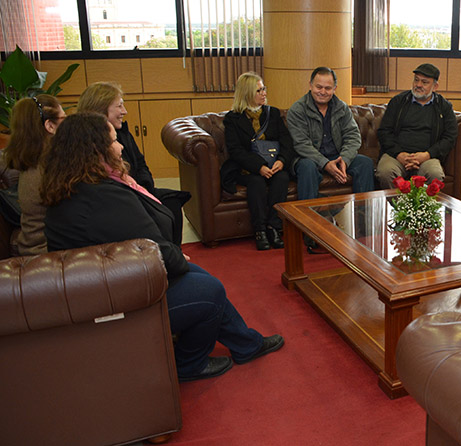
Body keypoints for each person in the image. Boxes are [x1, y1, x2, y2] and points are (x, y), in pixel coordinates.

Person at [41, 112, 284, 382]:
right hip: (115, 298)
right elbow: (153, 248)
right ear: (94, 151)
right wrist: (177, 257)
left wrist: (177, 258)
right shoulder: (102, 197)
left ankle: (245, 344)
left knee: (201, 275)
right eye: (113, 141)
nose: (121, 146)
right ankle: (188, 364)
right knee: (210, 290)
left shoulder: (73, 185)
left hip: (103, 285)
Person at [77, 82, 191, 244]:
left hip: (139, 188)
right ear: (101, 109)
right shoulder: (88, 143)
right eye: (119, 106)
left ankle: (174, 253)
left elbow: (140, 162)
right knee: (160, 211)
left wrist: (146, 188)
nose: (124, 111)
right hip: (119, 199)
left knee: (172, 203)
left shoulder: (123, 131)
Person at [286, 67, 374, 252]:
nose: (323, 92)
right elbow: (301, 144)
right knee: (308, 167)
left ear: (334, 88)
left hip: (338, 156)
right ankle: (310, 231)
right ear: (310, 85)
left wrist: (345, 160)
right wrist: (325, 164)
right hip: (308, 158)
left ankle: (363, 224)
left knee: (365, 163)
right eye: (319, 87)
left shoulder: (341, 107)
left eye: (328, 88)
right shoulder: (297, 109)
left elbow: (353, 136)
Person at [222, 72, 295, 250]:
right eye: (259, 90)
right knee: (256, 182)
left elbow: (286, 141)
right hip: (246, 169)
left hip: (274, 165)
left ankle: (274, 227)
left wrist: (282, 160)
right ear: (246, 93)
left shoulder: (273, 113)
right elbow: (236, 151)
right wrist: (259, 166)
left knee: (282, 178)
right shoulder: (232, 119)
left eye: (264, 89)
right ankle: (260, 230)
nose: (264, 93)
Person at [2, 95, 66, 256]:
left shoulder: (34, 163)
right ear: (50, 126)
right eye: (64, 118)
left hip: (35, 248)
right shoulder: (48, 167)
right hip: (46, 254)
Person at [375, 63, 457, 189]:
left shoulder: (444, 107)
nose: (418, 85)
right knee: (385, 172)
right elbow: (384, 132)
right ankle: (397, 208)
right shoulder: (398, 102)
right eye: (416, 80)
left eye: (424, 82)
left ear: (435, 86)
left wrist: (427, 155)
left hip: (427, 157)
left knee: (435, 174)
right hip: (396, 155)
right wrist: (399, 154)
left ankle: (422, 208)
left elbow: (450, 137)